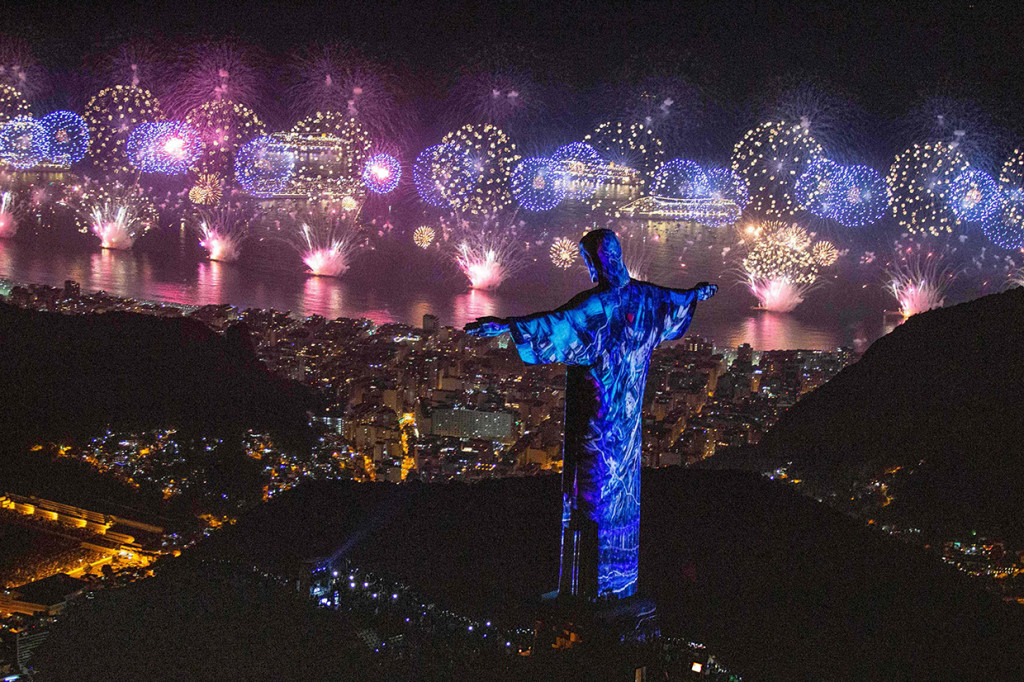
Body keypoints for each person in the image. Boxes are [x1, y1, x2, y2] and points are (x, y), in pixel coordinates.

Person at [465, 228, 717, 600]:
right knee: (622, 497)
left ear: (595, 261)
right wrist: (697, 293)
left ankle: (588, 591)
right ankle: (619, 584)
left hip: (596, 422)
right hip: (628, 428)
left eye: (589, 260)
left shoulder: (597, 306)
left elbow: (555, 324)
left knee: (589, 495)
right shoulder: (648, 299)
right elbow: (676, 302)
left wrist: (505, 325)